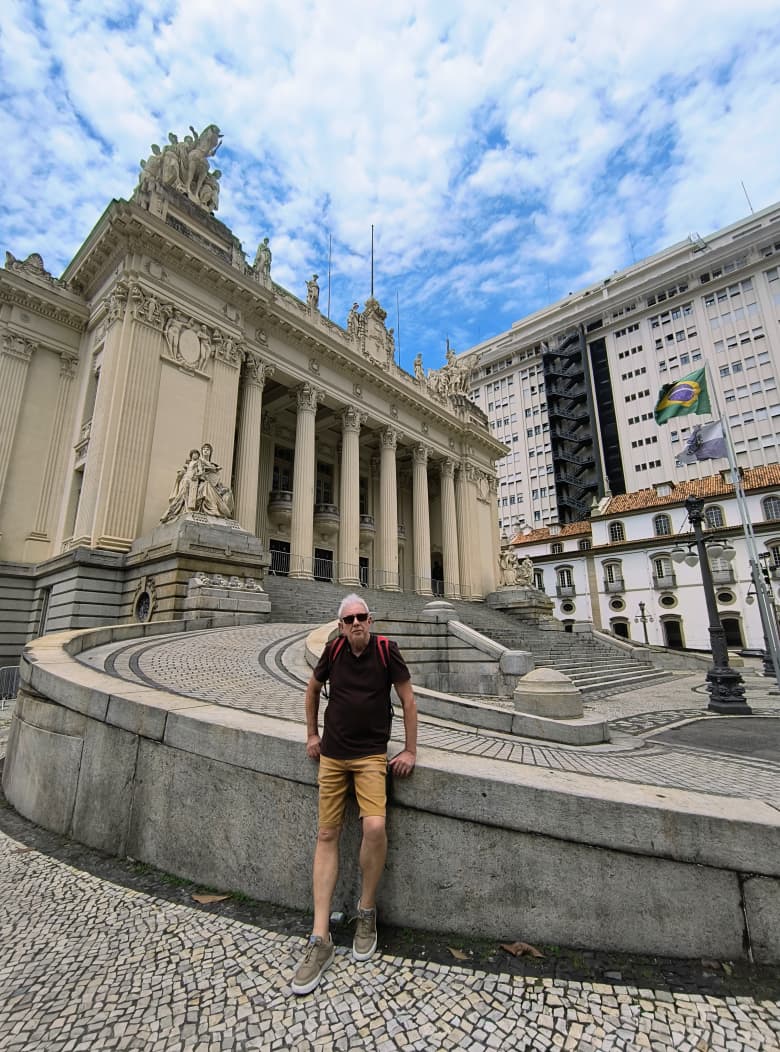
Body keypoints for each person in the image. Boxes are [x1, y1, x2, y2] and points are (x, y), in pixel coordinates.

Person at [291, 594, 417, 995]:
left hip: (370, 758)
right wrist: (312, 734)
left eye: (362, 617)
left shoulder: (386, 650)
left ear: (370, 620)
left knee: (375, 826)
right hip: (333, 756)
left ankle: (366, 910)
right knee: (326, 835)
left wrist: (410, 749)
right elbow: (311, 689)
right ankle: (320, 937)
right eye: (350, 619)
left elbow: (409, 702)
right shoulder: (333, 650)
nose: (357, 623)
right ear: (341, 625)